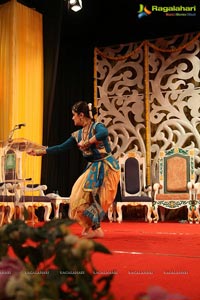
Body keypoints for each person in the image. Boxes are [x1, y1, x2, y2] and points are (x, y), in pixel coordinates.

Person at [28, 101, 120, 238]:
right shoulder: (77, 135)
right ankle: (90, 226)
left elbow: (104, 133)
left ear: (81, 115)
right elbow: (60, 147)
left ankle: (97, 229)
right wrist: (40, 152)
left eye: (74, 115)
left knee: (96, 196)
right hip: (94, 167)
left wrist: (88, 142)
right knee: (79, 196)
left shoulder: (97, 127)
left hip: (107, 167)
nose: (72, 118)